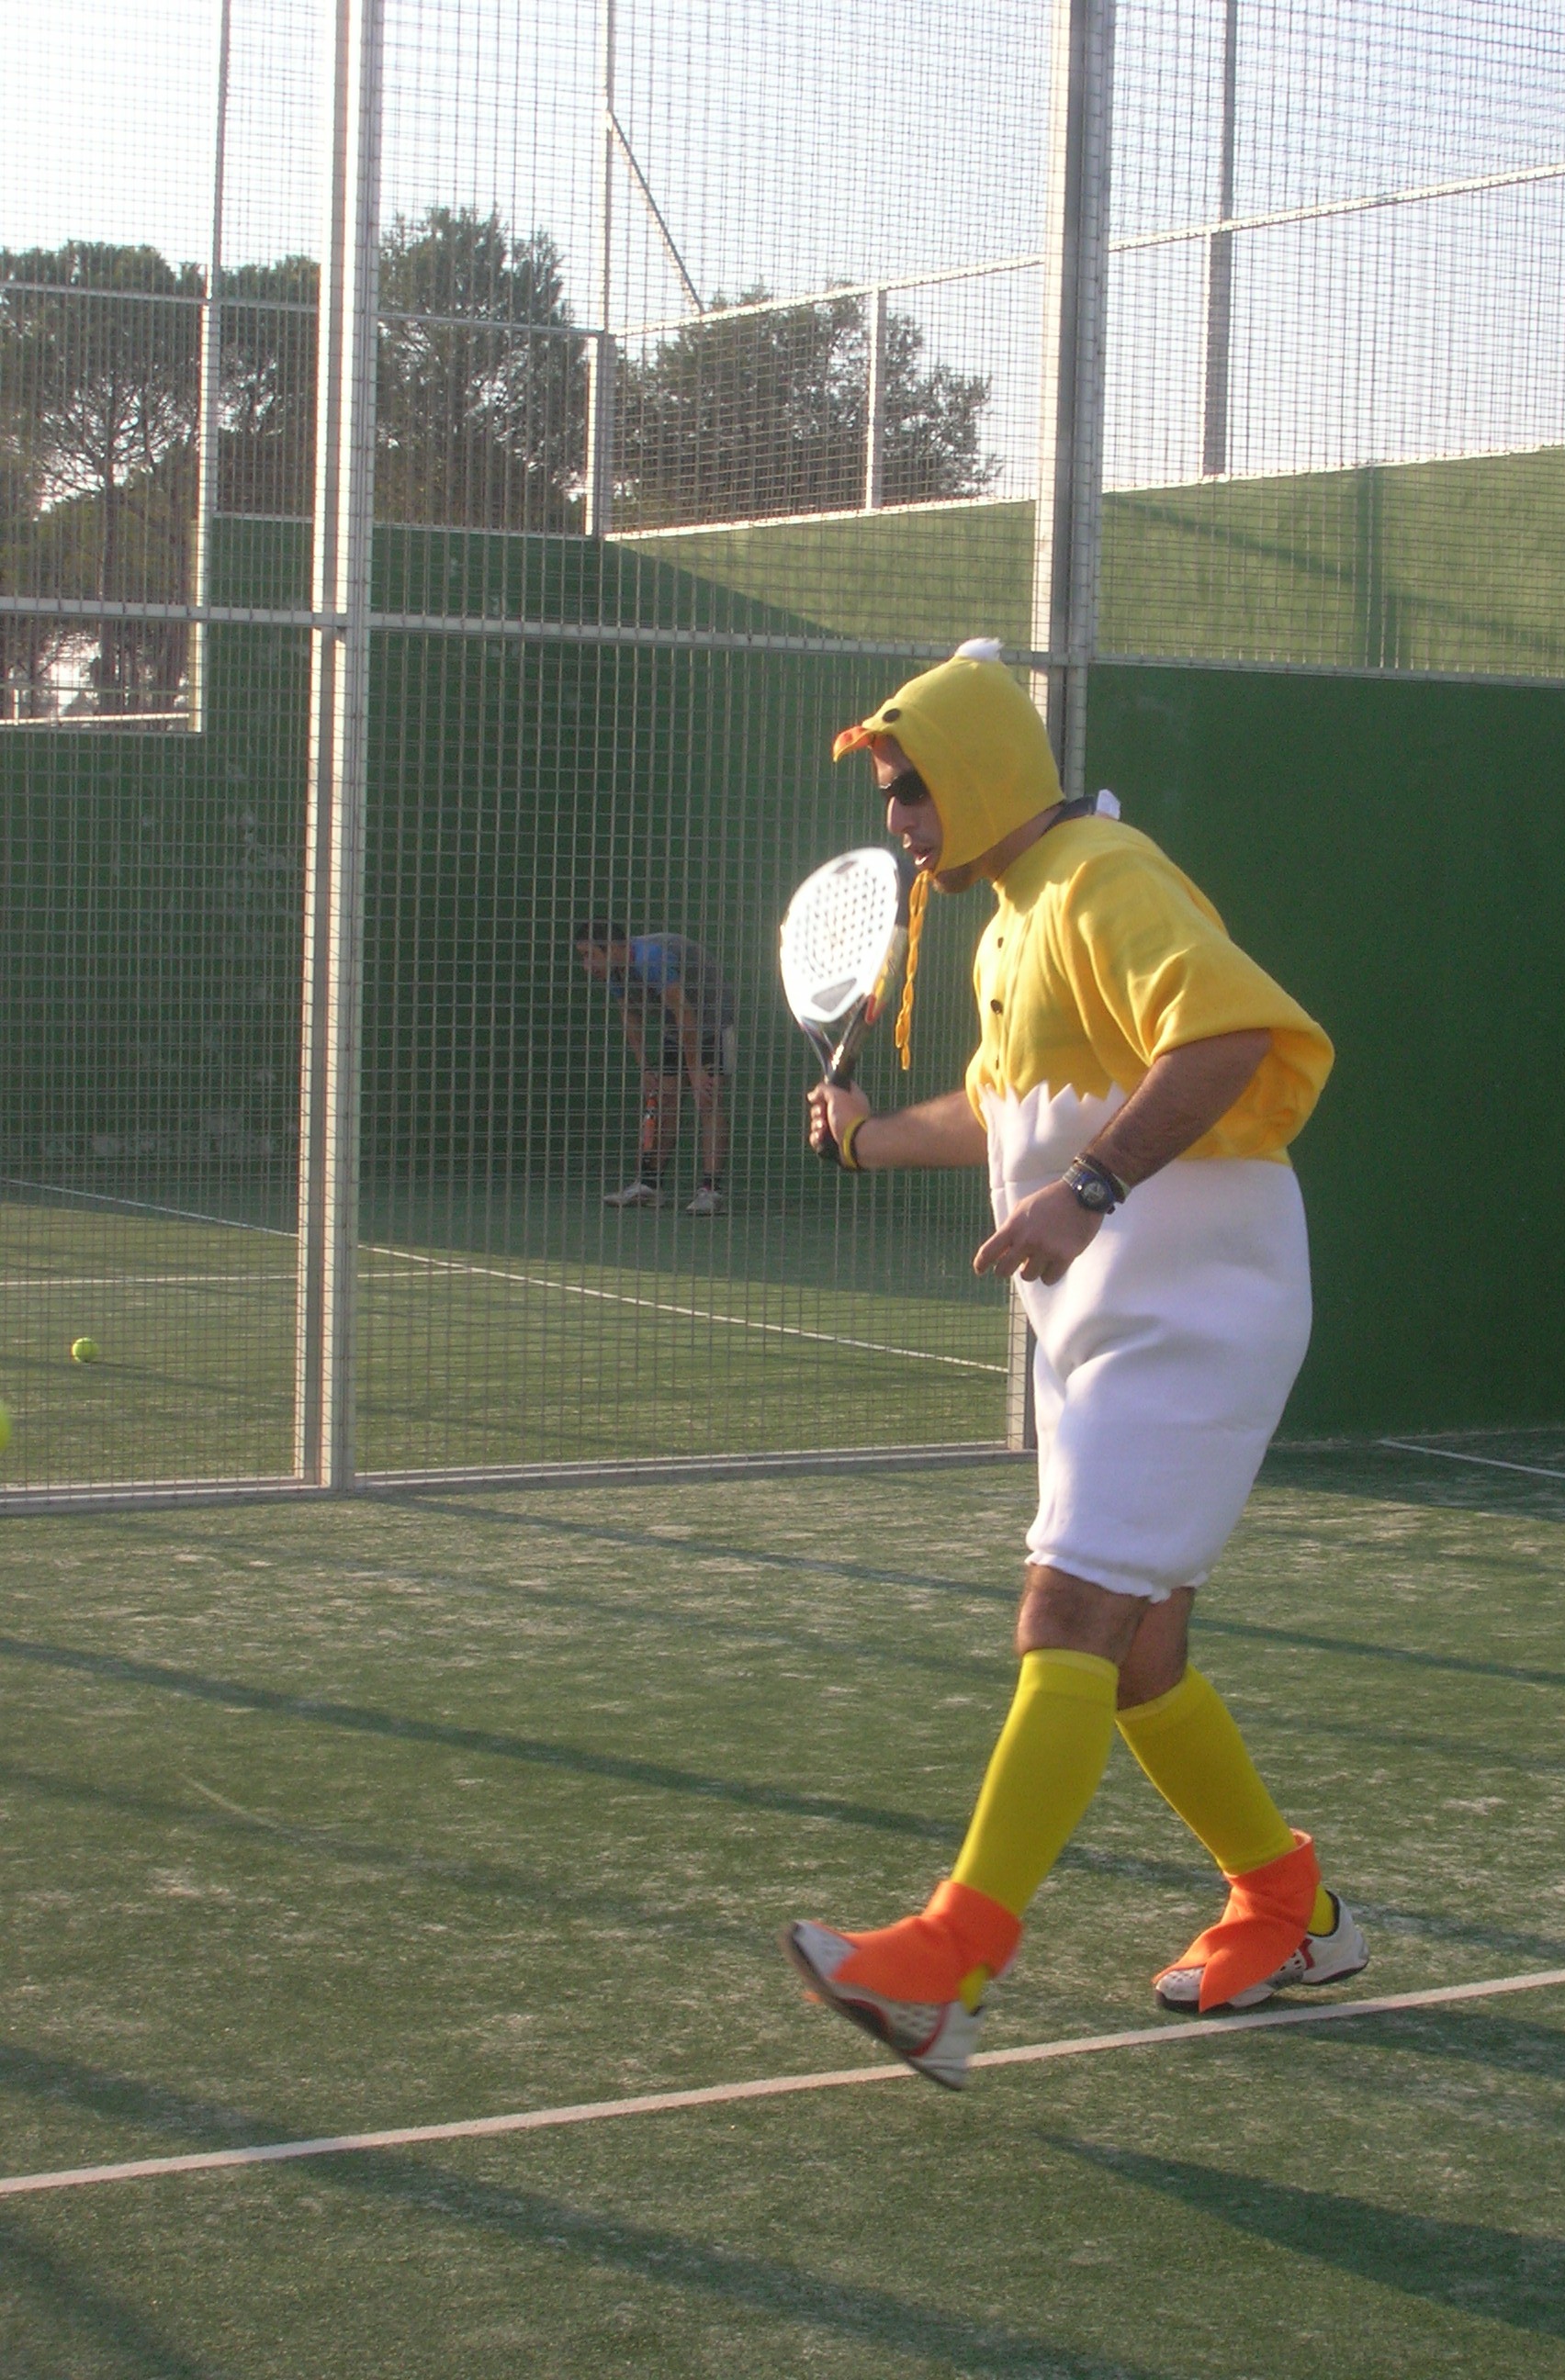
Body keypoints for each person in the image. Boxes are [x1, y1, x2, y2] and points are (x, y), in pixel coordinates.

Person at [782, 640, 1368, 2088]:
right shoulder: (1007, 926)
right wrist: (869, 1139)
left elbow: (1229, 1038)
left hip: (1196, 1311)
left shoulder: (1105, 875)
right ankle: (1288, 1908)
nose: (900, 820)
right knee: (1140, 1650)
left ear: (986, 772)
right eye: (889, 795)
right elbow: (1007, 1113)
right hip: (1100, 1319)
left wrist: (1091, 1190)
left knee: (1068, 1609)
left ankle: (948, 1963)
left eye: (916, 787)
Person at [573, 921, 735, 1217]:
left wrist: (696, 1070)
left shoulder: (651, 959)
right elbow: (630, 1015)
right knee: (665, 1099)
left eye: (589, 955)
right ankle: (649, 1186)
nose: (586, 966)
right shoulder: (616, 970)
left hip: (713, 1021)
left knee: (707, 1099)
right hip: (677, 1024)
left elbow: (686, 1012)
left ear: (612, 949)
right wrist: (645, 1067)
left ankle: (711, 1191)